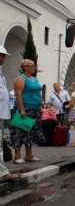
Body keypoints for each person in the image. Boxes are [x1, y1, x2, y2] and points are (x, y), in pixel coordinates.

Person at [11, 59, 44, 163]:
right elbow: (18, 94)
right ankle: (17, 156)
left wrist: (41, 106)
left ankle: (29, 155)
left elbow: (38, 93)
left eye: (34, 65)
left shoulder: (34, 79)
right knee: (20, 132)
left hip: (35, 109)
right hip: (25, 109)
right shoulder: (21, 79)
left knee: (30, 133)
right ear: (24, 67)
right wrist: (21, 110)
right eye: (31, 65)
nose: (33, 67)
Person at [0, 45, 15, 180]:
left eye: (3, 55)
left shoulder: (1, 72)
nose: (2, 58)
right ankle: (2, 173)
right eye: (1, 55)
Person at [65, 82, 75, 147]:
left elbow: (72, 104)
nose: (70, 87)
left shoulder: (74, 93)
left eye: (71, 86)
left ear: (74, 86)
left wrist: (67, 106)